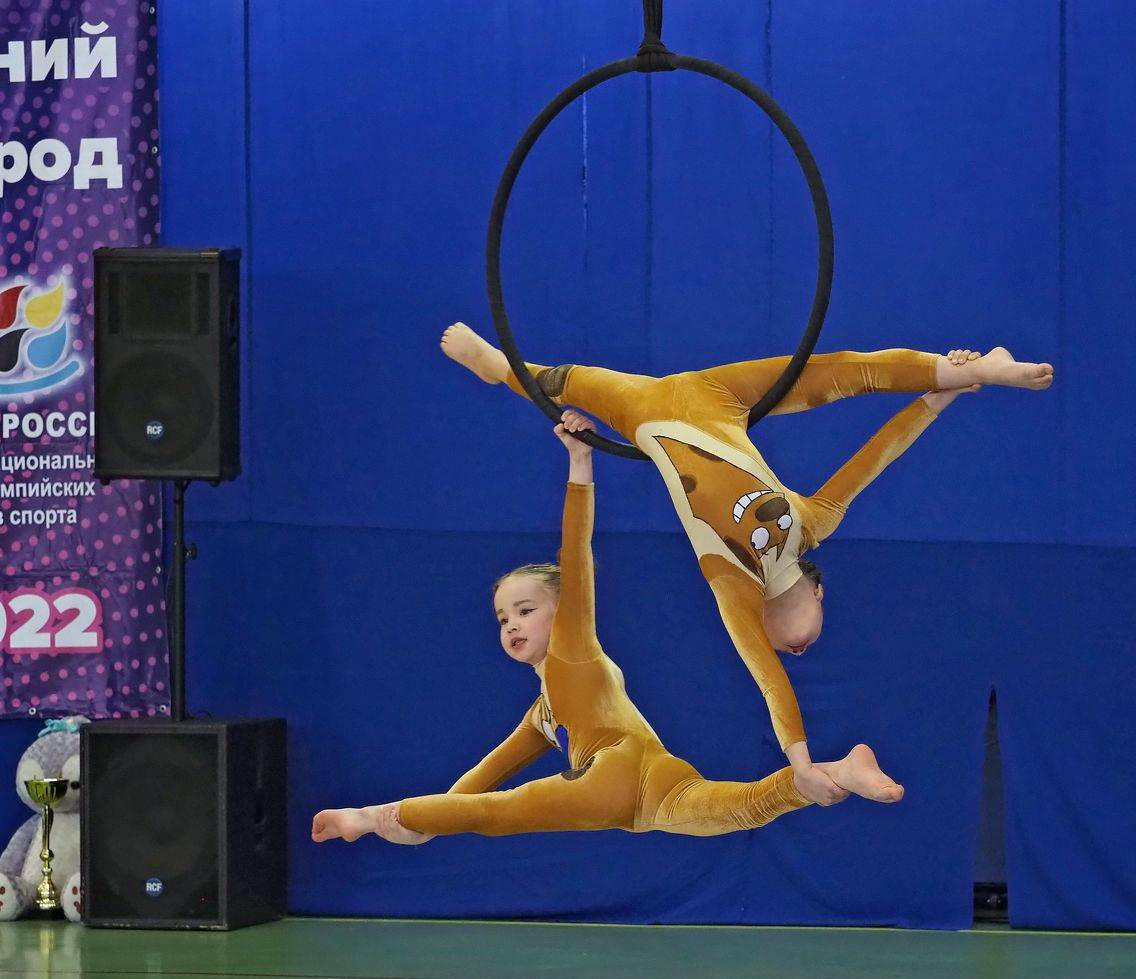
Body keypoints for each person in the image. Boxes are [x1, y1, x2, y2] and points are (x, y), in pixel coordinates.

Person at [440, 324, 1051, 803]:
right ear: (819, 593)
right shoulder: (814, 523)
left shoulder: (734, 585)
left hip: (645, 411)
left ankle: (499, 368)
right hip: (719, 396)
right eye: (805, 645)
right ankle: (977, 367)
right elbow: (876, 457)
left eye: (792, 649)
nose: (796, 650)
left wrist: (800, 762)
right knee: (835, 372)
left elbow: (767, 678)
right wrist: (939, 398)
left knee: (554, 382)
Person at [312, 412, 902, 848]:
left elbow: (576, 555)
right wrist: (434, 818)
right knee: (744, 806)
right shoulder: (543, 713)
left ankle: (369, 814)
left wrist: (580, 463)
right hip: (656, 788)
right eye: (503, 618)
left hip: (615, 773)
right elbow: (483, 777)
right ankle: (841, 771)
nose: (512, 624)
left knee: (501, 814)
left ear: (562, 610)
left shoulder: (573, 649)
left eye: (525, 609)